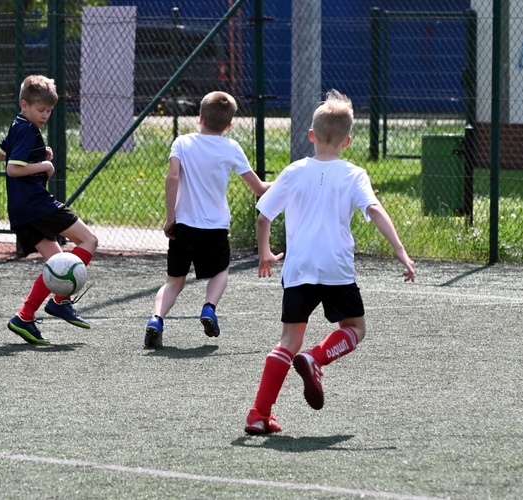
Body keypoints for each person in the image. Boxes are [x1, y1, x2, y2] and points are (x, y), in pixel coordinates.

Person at [243, 89, 415, 434]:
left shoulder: (293, 171)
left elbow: (263, 216)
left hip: (298, 269)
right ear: (347, 141)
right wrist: (399, 249)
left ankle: (259, 414)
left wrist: (264, 252)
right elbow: (375, 210)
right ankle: (316, 358)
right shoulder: (353, 174)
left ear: (311, 135)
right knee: (355, 329)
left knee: (287, 342)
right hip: (336, 269)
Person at [144, 91, 271, 349]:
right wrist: (288, 183)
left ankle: (156, 319)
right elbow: (258, 188)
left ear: (199, 117)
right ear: (229, 124)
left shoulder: (182, 142)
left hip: (184, 226)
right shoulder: (231, 148)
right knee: (221, 270)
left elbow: (172, 178)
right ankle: (209, 308)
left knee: (173, 281)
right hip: (215, 228)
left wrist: (171, 218)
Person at [0, 75, 99, 345]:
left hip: (21, 210)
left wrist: (38, 153)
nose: (45, 115)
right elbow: (12, 168)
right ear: (24, 104)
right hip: (36, 204)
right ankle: (61, 300)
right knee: (88, 240)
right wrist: (44, 165)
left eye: (49, 110)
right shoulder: (28, 130)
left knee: (57, 263)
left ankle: (24, 317)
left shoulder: (18, 125)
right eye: (40, 110)